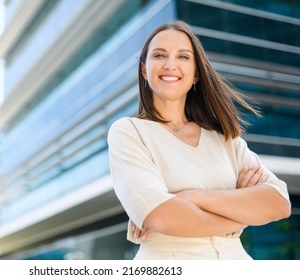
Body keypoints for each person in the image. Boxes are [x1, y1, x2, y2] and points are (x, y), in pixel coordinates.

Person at [107, 20, 291, 260]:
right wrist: (242, 215)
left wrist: (193, 197)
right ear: (144, 69)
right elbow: (160, 216)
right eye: (160, 55)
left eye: (183, 57)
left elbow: (278, 203)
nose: (170, 65)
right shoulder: (129, 132)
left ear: (196, 73)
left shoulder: (223, 138)